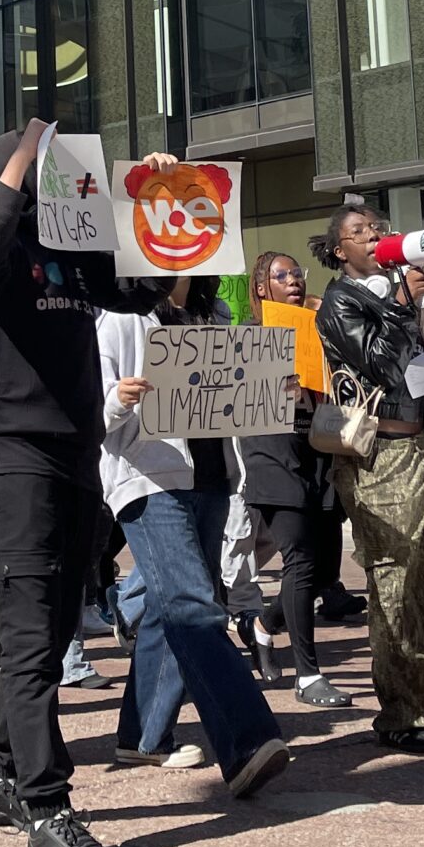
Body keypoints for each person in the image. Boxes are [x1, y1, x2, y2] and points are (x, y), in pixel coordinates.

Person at [0, 121, 172, 847]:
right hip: (12, 454)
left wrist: (163, 197)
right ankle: (47, 813)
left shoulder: (73, 256)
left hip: (77, 453)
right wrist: (21, 154)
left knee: (56, 621)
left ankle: (0, 775)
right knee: (33, 635)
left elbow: (142, 285)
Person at [99, 280, 292, 799]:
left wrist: (273, 390)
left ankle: (142, 736)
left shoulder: (217, 316)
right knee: (194, 606)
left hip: (211, 479)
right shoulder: (124, 316)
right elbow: (91, 409)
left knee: (170, 608)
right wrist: (118, 398)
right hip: (149, 480)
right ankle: (247, 741)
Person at [319, 217, 424, 754]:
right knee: (399, 583)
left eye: (377, 227)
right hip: (378, 456)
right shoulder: (340, 303)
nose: (372, 236)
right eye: (360, 231)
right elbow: (386, 366)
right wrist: (399, 303)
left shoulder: (416, 293)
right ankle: (401, 715)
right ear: (340, 250)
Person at [230, 224, 357, 707]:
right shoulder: (247, 337)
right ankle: (309, 677)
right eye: (283, 276)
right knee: (300, 561)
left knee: (323, 568)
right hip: (273, 459)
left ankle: (263, 626)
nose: (295, 283)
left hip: (318, 453)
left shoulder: (317, 329)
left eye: (297, 276)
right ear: (262, 287)